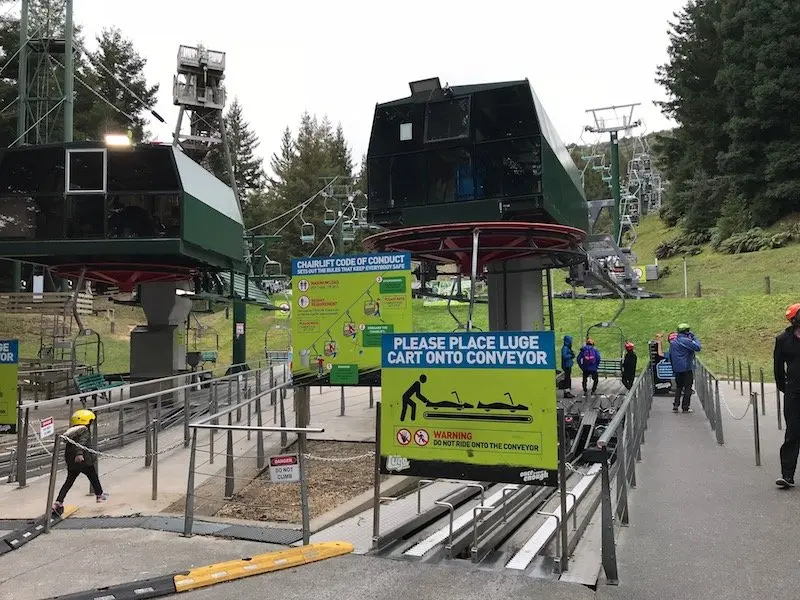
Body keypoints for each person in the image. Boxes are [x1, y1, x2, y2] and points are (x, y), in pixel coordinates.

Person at [52, 409, 108, 515]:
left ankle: (58, 502)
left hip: (71, 462)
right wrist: (79, 454)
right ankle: (99, 495)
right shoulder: (84, 430)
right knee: (93, 477)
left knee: (68, 482)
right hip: (83, 460)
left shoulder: (72, 431)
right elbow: (82, 443)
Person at [773, 303, 800, 489]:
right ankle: (787, 476)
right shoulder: (783, 339)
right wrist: (785, 388)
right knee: (793, 433)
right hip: (794, 393)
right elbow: (777, 368)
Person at [669, 323, 701, 413]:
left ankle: (676, 405)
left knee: (679, 387)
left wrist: (673, 368)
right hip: (686, 368)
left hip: (677, 369)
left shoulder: (674, 342)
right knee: (688, 388)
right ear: (687, 331)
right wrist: (694, 338)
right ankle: (685, 407)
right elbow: (698, 347)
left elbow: (671, 355)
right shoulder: (686, 341)